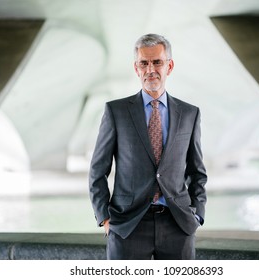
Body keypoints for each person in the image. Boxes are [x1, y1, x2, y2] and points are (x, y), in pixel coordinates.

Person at [89, 33, 207, 260]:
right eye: (144, 63)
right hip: (128, 226)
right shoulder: (116, 112)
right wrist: (104, 217)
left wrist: (197, 214)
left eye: (157, 62)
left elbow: (197, 172)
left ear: (169, 66)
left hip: (178, 225)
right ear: (136, 68)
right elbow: (97, 170)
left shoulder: (190, 114)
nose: (150, 69)